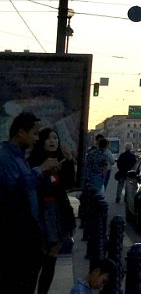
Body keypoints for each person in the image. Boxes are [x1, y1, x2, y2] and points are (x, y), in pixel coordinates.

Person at [0, 111, 60, 294]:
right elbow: (16, 186)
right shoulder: (5, 157)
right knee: (17, 280)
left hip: (28, 228)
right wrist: (40, 170)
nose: (37, 138)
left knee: (28, 277)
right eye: (34, 133)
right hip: (14, 230)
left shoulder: (20, 156)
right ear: (21, 132)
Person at [28, 128, 76, 294]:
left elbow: (69, 184)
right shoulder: (34, 161)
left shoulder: (61, 161)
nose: (52, 141)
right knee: (37, 259)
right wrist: (43, 170)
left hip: (58, 213)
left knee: (52, 258)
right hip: (40, 214)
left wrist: (69, 161)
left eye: (55, 138)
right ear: (41, 141)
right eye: (48, 138)